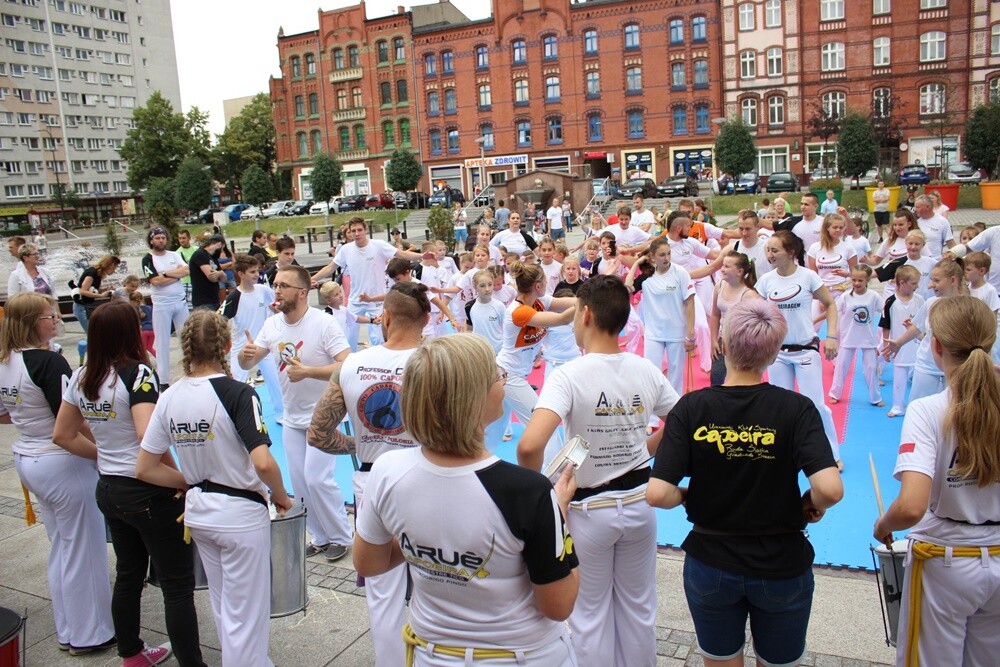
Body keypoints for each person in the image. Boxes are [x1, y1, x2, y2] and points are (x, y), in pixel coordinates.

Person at [354, 334, 580, 667]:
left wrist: (427, 541)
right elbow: (559, 605)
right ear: (474, 397)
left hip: (432, 653)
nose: (504, 380)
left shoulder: (387, 471)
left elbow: (369, 562)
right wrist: (557, 513)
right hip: (521, 655)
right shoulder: (528, 491)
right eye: (497, 375)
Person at [647, 299, 844, 667]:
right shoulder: (796, 409)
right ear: (774, 353)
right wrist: (810, 501)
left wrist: (686, 494)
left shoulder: (691, 407)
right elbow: (831, 489)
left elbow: (657, 493)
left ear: (723, 345)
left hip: (711, 560)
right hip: (781, 562)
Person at [519, 275, 678, 667]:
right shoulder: (645, 369)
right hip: (640, 504)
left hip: (590, 510)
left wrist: (539, 498)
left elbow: (529, 446)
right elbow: (681, 420)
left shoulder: (569, 375)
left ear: (586, 314)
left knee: (589, 616)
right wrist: (645, 450)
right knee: (639, 609)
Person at [135, 310, 292, 667]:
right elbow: (263, 462)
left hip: (201, 512)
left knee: (224, 606)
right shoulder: (237, 393)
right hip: (239, 515)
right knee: (247, 614)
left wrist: (192, 482)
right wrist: (281, 496)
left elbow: (145, 467)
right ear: (226, 345)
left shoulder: (170, 396)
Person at [54, 301, 202, 667]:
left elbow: (63, 435)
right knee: (177, 586)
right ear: (130, 332)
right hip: (147, 492)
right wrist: (182, 479)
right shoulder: (137, 374)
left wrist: (104, 456)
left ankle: (131, 654)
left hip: (110, 488)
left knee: (128, 575)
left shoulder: (82, 376)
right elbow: (147, 435)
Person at [872, 295, 1000, 667]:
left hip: (946, 561)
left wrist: (883, 525)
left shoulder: (928, 410)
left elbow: (911, 506)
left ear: (937, 346)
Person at [307, 281, 430, 667]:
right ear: (426, 320)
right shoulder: (437, 362)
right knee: (439, 577)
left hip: (373, 479)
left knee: (382, 590)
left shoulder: (352, 365)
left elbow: (318, 433)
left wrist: (360, 444)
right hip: (426, 476)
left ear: (385, 317)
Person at [0, 292, 115, 655]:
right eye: (50, 317)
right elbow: (73, 422)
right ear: (33, 323)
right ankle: (90, 633)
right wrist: (105, 455)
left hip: (30, 456)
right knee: (84, 550)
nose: (55, 321)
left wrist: (30, 420)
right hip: (61, 461)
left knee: (62, 547)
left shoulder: (6, 360)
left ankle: (69, 628)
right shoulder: (48, 362)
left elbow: (5, 413)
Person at [240, 264, 353, 561]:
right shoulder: (272, 325)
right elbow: (246, 363)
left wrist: (309, 372)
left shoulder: (324, 323)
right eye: (275, 285)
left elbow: (347, 364)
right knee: (299, 482)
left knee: (317, 479)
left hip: (325, 416)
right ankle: (319, 536)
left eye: (283, 286)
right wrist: (244, 355)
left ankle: (341, 536)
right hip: (292, 417)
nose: (276, 290)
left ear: (302, 293)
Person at [755, 231, 843, 467]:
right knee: (780, 406)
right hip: (777, 354)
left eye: (775, 250)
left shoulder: (808, 277)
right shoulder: (765, 281)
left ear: (791, 252)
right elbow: (754, 312)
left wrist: (831, 336)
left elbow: (830, 304)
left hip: (805, 350)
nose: (770, 255)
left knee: (815, 405)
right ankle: (785, 453)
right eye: (768, 250)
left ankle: (832, 455)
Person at [311, 217, 423, 351]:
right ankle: (347, 360)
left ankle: (379, 359)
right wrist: (311, 279)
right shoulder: (346, 249)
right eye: (353, 231)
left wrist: (422, 256)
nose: (356, 233)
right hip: (355, 300)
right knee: (348, 337)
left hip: (376, 301)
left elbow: (402, 254)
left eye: (359, 230)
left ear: (365, 230)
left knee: (379, 338)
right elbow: (330, 268)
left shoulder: (378, 245)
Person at [885, 258, 967, 403]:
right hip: (927, 364)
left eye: (936, 280)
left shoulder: (967, 306)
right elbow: (917, 327)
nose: (930, 285)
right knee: (917, 405)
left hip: (955, 366)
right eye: (931, 280)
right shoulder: (930, 303)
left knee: (952, 408)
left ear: (953, 280)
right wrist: (899, 343)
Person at [220, 254, 284, 423]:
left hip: (264, 344)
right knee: (236, 384)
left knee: (275, 381)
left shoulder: (263, 290)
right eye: (252, 272)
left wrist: (276, 310)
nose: (257, 274)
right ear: (241, 274)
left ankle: (281, 414)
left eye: (257, 271)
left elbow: (278, 302)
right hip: (242, 346)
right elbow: (219, 320)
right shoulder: (234, 297)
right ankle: (231, 419)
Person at [828, 265, 883, 406]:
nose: (857, 283)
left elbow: (884, 312)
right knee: (841, 367)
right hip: (848, 337)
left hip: (868, 338)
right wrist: (820, 322)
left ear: (867, 280)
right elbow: (833, 311)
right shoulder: (845, 296)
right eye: (854, 280)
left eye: (860, 280)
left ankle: (875, 398)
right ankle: (835, 393)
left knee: (871, 368)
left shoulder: (874, 296)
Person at [141, 228, 190, 387]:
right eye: (157, 238)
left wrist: (166, 274)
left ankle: (190, 371)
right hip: (162, 304)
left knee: (186, 338)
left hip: (180, 301)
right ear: (151, 240)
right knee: (162, 342)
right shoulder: (148, 259)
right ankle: (164, 380)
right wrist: (175, 275)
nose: (161, 240)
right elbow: (155, 281)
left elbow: (186, 270)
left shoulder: (174, 255)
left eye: (163, 237)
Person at [879, 265, 925, 418]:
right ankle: (898, 406)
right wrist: (886, 345)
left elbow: (924, 322)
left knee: (919, 380)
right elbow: (885, 325)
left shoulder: (920, 300)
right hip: (898, 346)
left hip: (917, 345)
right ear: (902, 283)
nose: (917, 286)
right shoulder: (891, 301)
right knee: (899, 380)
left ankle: (917, 408)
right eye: (913, 283)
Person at [709, 252, 760, 386]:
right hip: (723, 340)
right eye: (722, 265)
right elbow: (715, 315)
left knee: (741, 381)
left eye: (727, 266)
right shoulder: (719, 286)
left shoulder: (750, 295)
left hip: (743, 344)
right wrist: (713, 340)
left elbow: (757, 325)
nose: (722, 269)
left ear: (740, 272)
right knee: (716, 377)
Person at [73, 254, 120, 333]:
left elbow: (93, 290)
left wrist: (107, 289)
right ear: (110, 265)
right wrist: (100, 296)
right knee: (92, 333)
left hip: (88, 306)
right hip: (82, 307)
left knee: (96, 333)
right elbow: (82, 291)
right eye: (114, 268)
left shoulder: (98, 274)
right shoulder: (92, 273)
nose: (114, 270)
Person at [188, 234, 227, 310]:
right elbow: (212, 277)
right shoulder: (200, 254)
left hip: (214, 299)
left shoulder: (213, 258)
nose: (222, 251)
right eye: (222, 248)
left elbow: (224, 278)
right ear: (219, 244)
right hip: (203, 302)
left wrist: (220, 273)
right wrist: (220, 275)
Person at [913, 195, 954, 261]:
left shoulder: (942, 222)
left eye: (917, 207)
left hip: (935, 262)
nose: (915, 210)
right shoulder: (916, 223)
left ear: (927, 207)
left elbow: (951, 243)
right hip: (918, 261)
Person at [176, 230, 198, 309]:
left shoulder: (197, 250)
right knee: (189, 308)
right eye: (180, 238)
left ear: (189, 238)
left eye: (184, 238)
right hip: (185, 282)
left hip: (197, 281)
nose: (181, 240)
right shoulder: (177, 253)